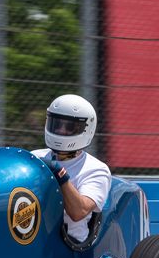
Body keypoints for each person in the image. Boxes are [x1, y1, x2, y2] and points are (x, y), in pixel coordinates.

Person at [31, 94, 111, 243]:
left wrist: (60, 175)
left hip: (69, 244)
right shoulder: (33, 157)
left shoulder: (96, 170)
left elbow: (79, 212)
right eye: (56, 124)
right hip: (32, 238)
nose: (61, 130)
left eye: (69, 127)